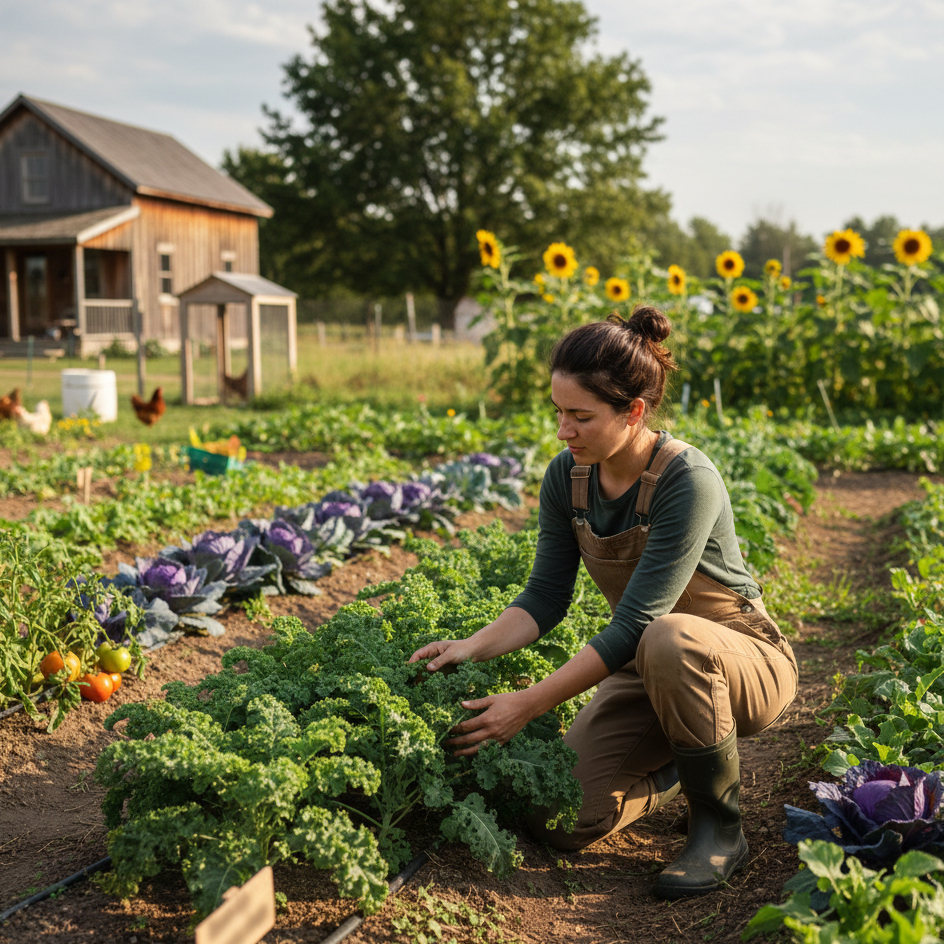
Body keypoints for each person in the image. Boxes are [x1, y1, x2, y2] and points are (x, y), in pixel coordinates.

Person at [408, 305, 798, 899]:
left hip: (741, 659)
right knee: (561, 817)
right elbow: (544, 597)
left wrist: (529, 704)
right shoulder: (567, 478)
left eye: (581, 416)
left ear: (633, 411)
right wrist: (472, 646)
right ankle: (680, 766)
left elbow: (639, 621)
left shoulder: (687, 479)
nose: (563, 430)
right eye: (559, 412)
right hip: (650, 666)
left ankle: (719, 827)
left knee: (669, 635)